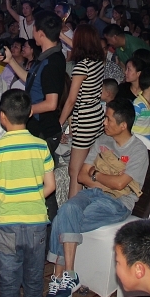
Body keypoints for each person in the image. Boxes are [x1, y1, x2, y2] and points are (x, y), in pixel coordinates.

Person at [46, 98, 150, 297]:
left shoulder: (137, 150)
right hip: (91, 194)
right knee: (68, 210)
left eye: (108, 119)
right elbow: (81, 176)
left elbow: (119, 185)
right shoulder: (102, 141)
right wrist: (105, 181)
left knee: (63, 218)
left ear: (123, 125)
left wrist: (96, 174)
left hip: (118, 203)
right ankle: (69, 275)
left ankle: (59, 277)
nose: (104, 122)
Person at [0, 89, 56, 297]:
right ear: (30, 112)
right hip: (36, 223)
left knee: (8, 282)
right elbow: (50, 186)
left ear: (2, 116)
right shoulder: (41, 146)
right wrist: (32, 196)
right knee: (34, 280)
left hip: (7, 223)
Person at [0, 12, 66, 220]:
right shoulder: (45, 57)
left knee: (41, 184)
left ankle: (48, 229)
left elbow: (51, 103)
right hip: (38, 129)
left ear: (41, 33)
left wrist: (25, 112)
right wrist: (11, 61)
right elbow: (32, 80)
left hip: (44, 131)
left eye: (34, 29)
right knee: (39, 181)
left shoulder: (53, 61)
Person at [58, 24, 106, 198]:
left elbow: (71, 100)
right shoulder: (99, 61)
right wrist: (61, 35)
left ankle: (73, 209)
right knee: (89, 166)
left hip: (84, 118)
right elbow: (81, 46)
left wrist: (59, 123)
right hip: (97, 115)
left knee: (75, 171)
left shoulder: (82, 67)